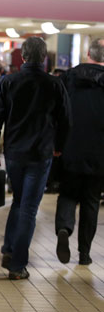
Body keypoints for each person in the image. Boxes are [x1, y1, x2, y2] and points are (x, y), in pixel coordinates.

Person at [0, 37, 71, 280]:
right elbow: (66, 119)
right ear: (44, 57)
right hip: (41, 153)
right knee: (29, 209)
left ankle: (8, 249)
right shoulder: (54, 84)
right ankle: (17, 264)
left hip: (14, 153)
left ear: (22, 57)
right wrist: (58, 146)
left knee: (18, 202)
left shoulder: (8, 82)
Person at [54, 37, 104, 266]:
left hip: (69, 148)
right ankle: (84, 253)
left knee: (68, 193)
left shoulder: (69, 77)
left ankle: (64, 228)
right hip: (99, 152)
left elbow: (56, 111)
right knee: (91, 201)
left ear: (88, 54)